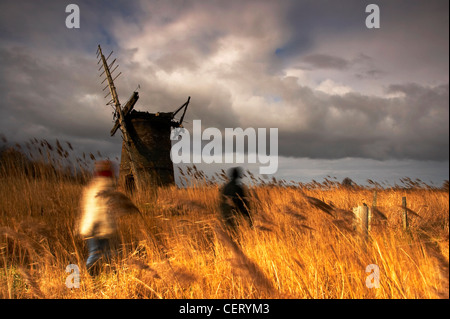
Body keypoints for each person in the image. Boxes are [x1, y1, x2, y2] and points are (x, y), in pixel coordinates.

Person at [78, 160, 117, 276]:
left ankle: (97, 275)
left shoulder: (92, 186)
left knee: (95, 252)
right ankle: (92, 275)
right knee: (102, 253)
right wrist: (109, 227)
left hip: (88, 225)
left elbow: (86, 207)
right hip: (99, 226)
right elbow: (102, 211)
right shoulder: (106, 187)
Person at [219, 167, 253, 235]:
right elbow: (243, 204)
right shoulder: (238, 188)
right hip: (234, 216)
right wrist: (249, 217)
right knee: (235, 234)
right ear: (238, 176)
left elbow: (222, 201)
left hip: (225, 215)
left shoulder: (225, 187)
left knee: (228, 233)